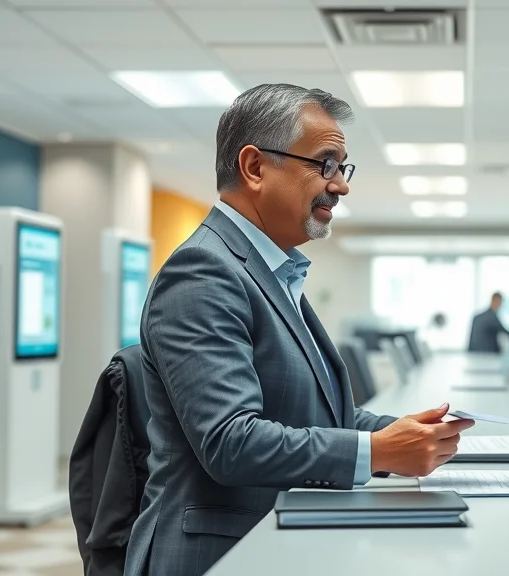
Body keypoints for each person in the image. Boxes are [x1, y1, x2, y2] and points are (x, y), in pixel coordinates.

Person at [124, 84, 474, 576]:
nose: (341, 185)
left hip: (274, 537)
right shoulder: (204, 272)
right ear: (255, 167)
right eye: (324, 164)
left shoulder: (271, 271)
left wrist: (402, 434)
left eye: (342, 168)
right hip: (216, 555)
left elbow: (309, 415)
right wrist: (377, 451)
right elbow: (230, 442)